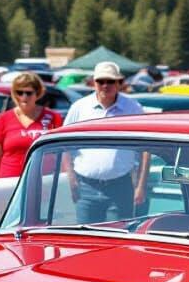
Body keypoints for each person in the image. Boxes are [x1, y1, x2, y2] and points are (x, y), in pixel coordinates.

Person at [63, 60, 148, 221]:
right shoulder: (79, 108)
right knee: (86, 241)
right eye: (100, 81)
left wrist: (141, 185)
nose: (105, 85)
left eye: (110, 81)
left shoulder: (133, 109)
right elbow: (65, 145)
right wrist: (71, 179)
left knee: (118, 240)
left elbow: (146, 148)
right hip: (85, 188)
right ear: (93, 83)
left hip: (121, 187)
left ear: (119, 83)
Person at [0, 72, 62, 179]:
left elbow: (62, 153)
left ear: (37, 93)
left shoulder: (53, 117)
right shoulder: (4, 118)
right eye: (19, 92)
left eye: (28, 93)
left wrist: (68, 177)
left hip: (42, 181)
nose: (23, 97)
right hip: (8, 181)